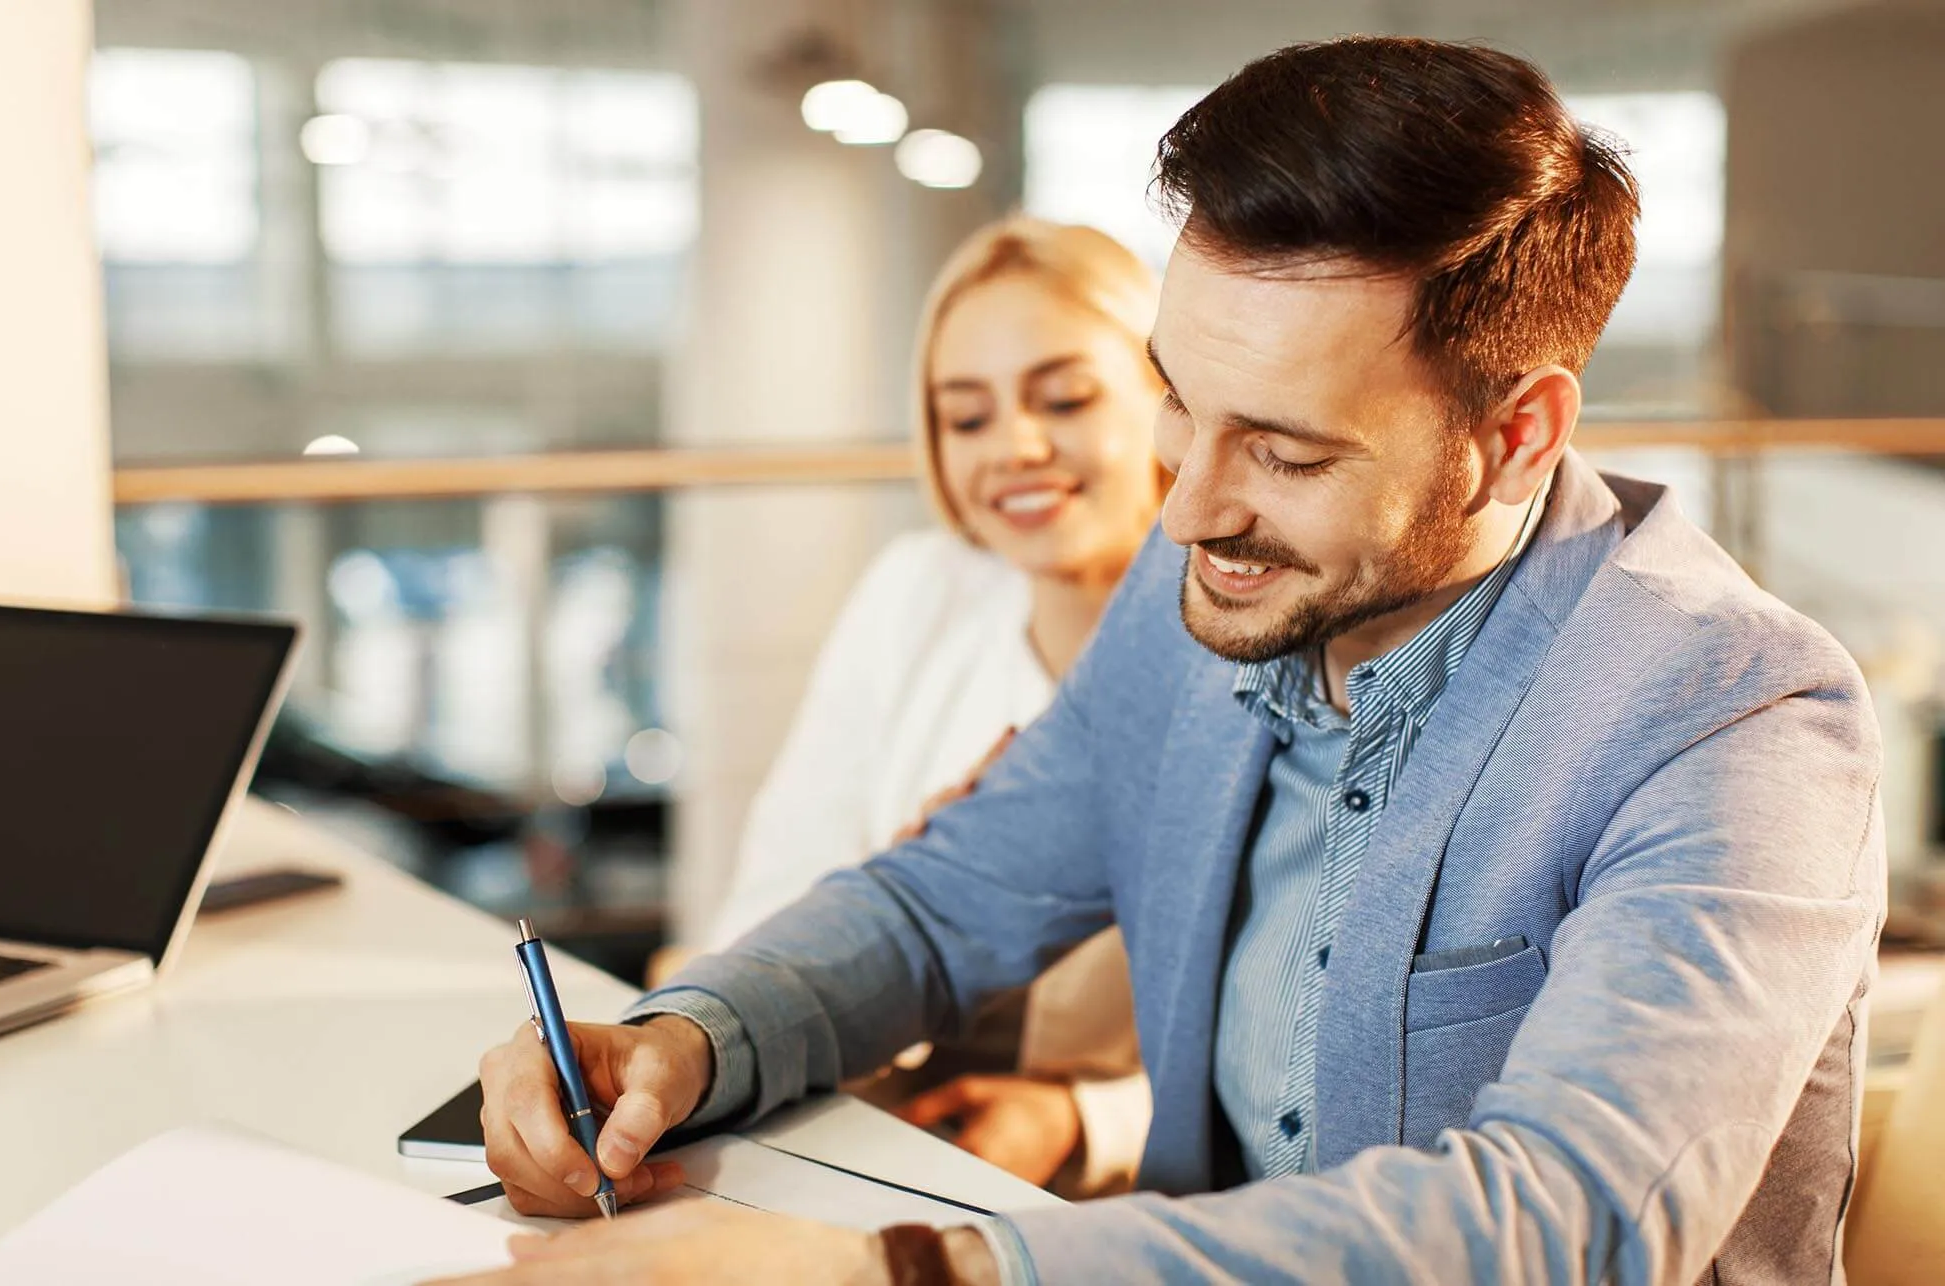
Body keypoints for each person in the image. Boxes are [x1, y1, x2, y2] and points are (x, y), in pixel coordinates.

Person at [452, 37, 1884, 1286]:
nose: (1186, 506)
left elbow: (1564, 1221)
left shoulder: (1737, 719)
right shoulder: (1215, 578)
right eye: (1179, 404)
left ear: (1515, 434)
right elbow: (955, 896)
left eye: (1285, 448)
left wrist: (900, 1271)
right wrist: (690, 1038)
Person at [664, 215, 1164, 1192]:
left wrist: (1081, 1120)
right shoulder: (919, 591)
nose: (1015, 447)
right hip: (871, 1138)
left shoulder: (1250, 635)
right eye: (965, 416)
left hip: (1132, 1198)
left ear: (1168, 396)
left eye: (1062, 398)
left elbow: (1295, 1037)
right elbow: (774, 894)